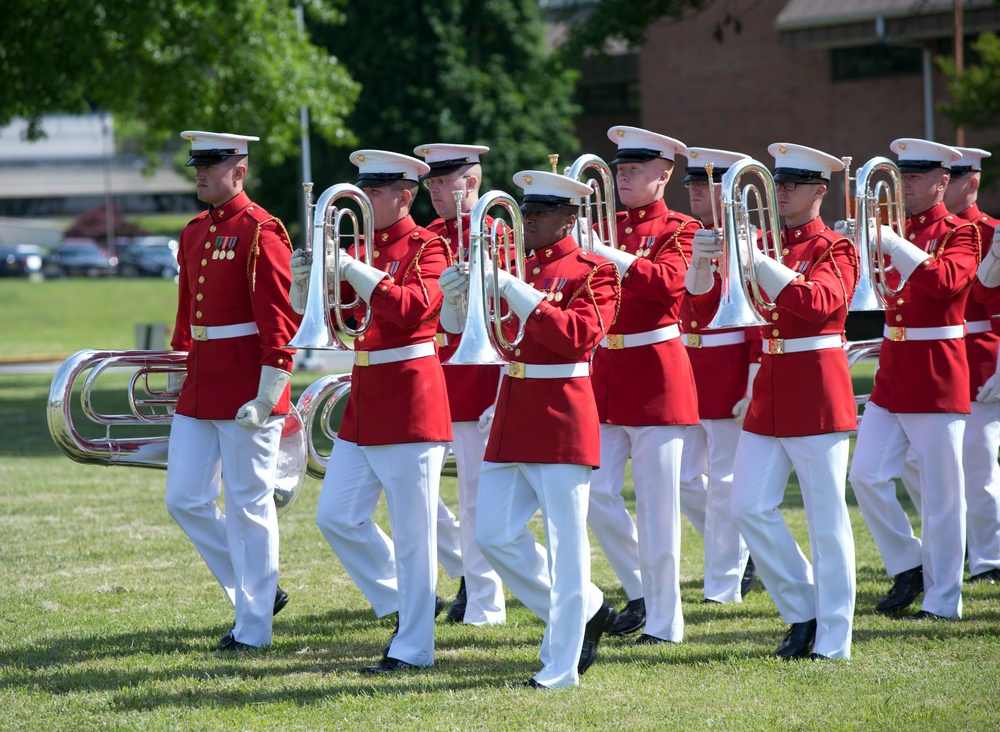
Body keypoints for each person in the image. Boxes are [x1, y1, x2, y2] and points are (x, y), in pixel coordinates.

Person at [438, 170, 619, 689]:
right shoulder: (515, 265)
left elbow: (578, 337)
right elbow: (459, 332)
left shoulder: (594, 271)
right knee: (492, 534)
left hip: (562, 410)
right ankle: (585, 607)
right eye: (526, 212)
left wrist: (510, 285)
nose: (529, 221)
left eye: (539, 214)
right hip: (513, 406)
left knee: (567, 545)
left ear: (569, 217)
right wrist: (456, 297)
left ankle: (560, 668)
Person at [688, 143, 859, 660]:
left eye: (793, 184)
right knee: (747, 507)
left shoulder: (837, 248)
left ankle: (835, 637)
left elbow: (818, 303)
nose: (782, 192)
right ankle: (803, 609)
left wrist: (755, 260)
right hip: (771, 384)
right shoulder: (760, 241)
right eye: (779, 184)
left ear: (819, 191)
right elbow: (700, 303)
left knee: (826, 519)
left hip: (817, 384)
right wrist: (701, 264)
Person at [292, 150, 452, 674]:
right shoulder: (360, 245)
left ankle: (414, 647)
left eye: (375, 192)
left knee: (413, 532)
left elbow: (412, 311)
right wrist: (303, 282)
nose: (362, 200)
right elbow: (326, 312)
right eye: (361, 189)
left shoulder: (430, 245)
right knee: (336, 515)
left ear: (404, 196)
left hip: (410, 392)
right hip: (366, 393)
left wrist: (354, 267)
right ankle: (407, 602)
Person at [166, 130, 300, 651]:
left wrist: (270, 391)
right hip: (201, 383)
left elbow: (279, 321)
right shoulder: (195, 230)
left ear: (239, 171)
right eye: (197, 164)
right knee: (185, 499)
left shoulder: (262, 230)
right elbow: (187, 317)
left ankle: (253, 628)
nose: (199, 172)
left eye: (212, 164)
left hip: (248, 388)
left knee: (248, 506)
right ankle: (259, 592)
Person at [849, 138, 979, 621]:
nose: (904, 185)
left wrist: (893, 242)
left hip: (936, 369)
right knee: (864, 474)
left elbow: (944, 283)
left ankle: (945, 601)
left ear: (943, 182)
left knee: (943, 496)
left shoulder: (961, 233)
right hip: (893, 368)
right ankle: (909, 563)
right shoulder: (892, 229)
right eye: (902, 176)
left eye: (916, 177)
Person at [584, 125, 699, 644]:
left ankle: (666, 621)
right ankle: (641, 591)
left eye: (634, 169)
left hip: (656, 372)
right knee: (594, 495)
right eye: (620, 169)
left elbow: (668, 283)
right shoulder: (604, 225)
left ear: (665, 174)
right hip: (608, 373)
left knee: (658, 509)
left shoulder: (682, 227)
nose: (623, 176)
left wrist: (610, 256)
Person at [413, 142, 506, 624]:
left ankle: (484, 598)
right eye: (429, 184)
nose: (434, 192)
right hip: (434, 376)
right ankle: (469, 571)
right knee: (423, 495)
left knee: (473, 493)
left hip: (478, 379)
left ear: (471, 183)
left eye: (442, 183)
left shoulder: (497, 233)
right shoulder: (429, 235)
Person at [678, 146, 758, 604]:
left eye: (703, 183)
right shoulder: (691, 235)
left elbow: (754, 317)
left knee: (725, 480)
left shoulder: (750, 239)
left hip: (729, 368)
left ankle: (725, 584)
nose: (693, 191)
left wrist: (752, 379)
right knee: (689, 480)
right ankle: (739, 552)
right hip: (690, 367)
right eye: (689, 183)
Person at [944, 147, 1000, 585]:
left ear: (972, 182)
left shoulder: (990, 231)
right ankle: (953, 544)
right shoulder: (927, 233)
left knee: (979, 467)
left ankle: (988, 559)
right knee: (923, 465)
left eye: (953, 176)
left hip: (980, 358)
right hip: (936, 362)